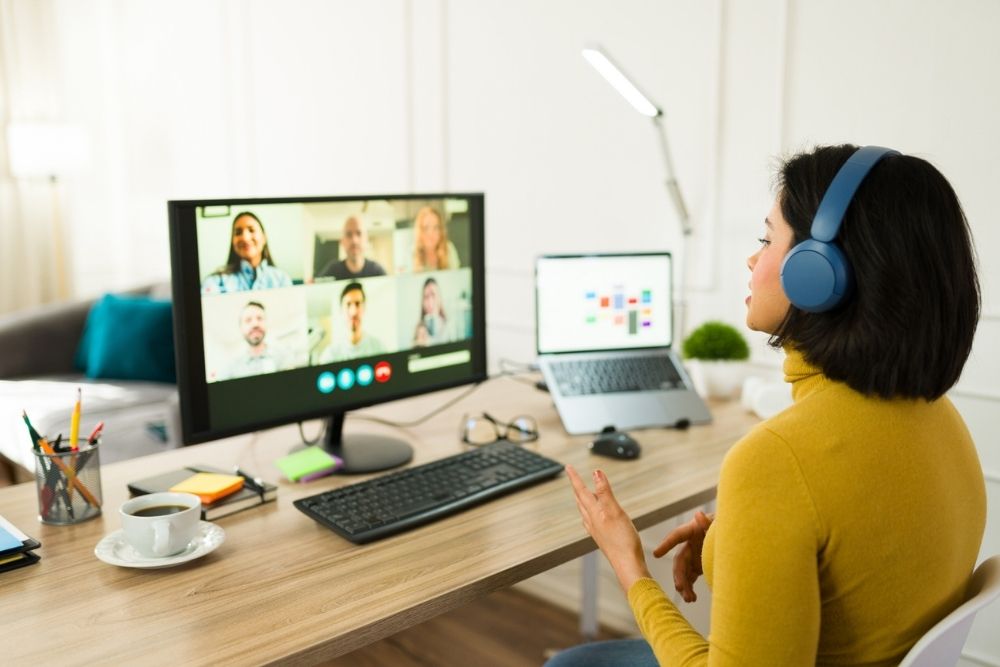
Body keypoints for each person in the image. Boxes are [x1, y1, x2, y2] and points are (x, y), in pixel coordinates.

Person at [550, 144, 986, 666]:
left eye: (766, 239)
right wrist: (732, 539)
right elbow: (858, 556)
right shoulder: (941, 418)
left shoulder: (776, 461)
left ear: (816, 274)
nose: (751, 259)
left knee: (570, 664)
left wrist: (631, 570)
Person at [201, 211, 293, 293]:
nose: (245, 238)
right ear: (232, 242)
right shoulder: (215, 282)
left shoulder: (282, 280)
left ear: (264, 238)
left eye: (251, 230)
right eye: (238, 232)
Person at [218, 301, 295, 380]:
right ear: (241, 328)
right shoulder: (230, 368)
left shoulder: (284, 355)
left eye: (260, 318)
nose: (255, 324)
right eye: (248, 320)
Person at [318, 282, 384, 362]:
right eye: (348, 304)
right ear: (341, 310)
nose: (353, 312)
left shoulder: (379, 348)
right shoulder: (330, 355)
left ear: (364, 308)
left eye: (357, 304)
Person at [316, 215, 387, 280]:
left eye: (359, 233)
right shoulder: (332, 270)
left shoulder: (377, 272)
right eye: (349, 234)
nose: (354, 240)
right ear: (342, 241)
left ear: (366, 239)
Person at [411, 206, 460, 272]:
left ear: (441, 231)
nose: (431, 233)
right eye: (426, 228)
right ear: (420, 231)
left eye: (436, 227)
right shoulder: (412, 253)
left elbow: (457, 277)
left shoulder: (449, 249)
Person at [412, 277, 453, 347]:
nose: (430, 302)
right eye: (426, 297)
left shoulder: (450, 326)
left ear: (439, 298)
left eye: (433, 295)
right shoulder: (418, 330)